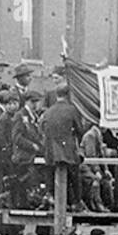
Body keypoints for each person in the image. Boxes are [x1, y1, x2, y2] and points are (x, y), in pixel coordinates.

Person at [40, 84, 86, 212]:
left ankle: (50, 196)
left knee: (52, 176)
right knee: (75, 175)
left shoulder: (48, 111)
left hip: (50, 153)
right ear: (68, 95)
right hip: (67, 152)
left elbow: (42, 129)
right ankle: (76, 202)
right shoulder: (72, 110)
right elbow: (80, 130)